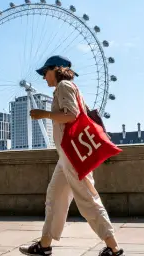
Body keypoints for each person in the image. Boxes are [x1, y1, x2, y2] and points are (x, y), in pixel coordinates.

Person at [19, 56, 124, 256]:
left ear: (55, 70)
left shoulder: (64, 86)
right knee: (55, 197)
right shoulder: (68, 87)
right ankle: (44, 245)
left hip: (73, 155)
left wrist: (44, 114)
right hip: (67, 156)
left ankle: (114, 247)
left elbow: (72, 116)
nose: (43, 77)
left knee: (87, 199)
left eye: (44, 72)